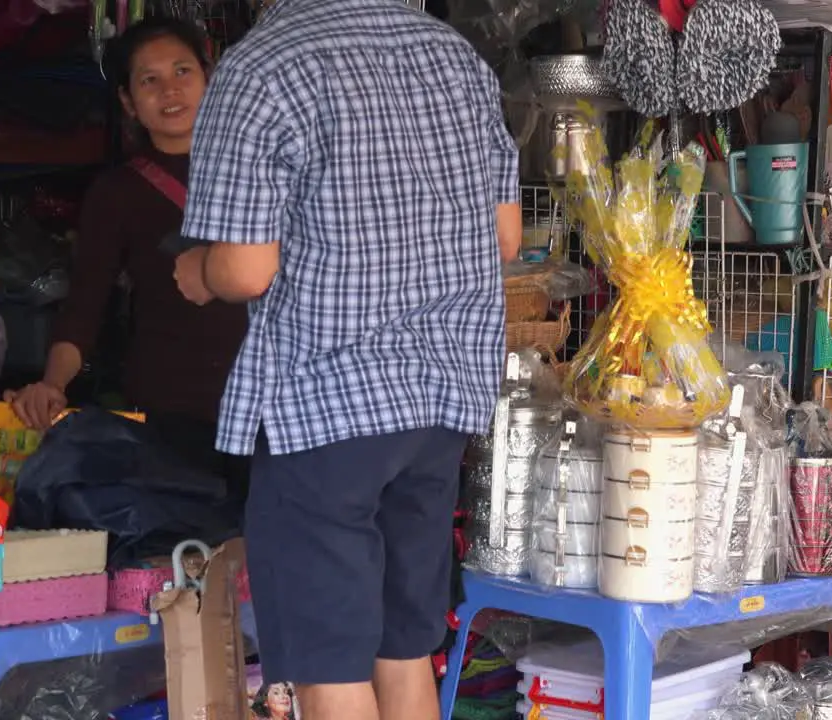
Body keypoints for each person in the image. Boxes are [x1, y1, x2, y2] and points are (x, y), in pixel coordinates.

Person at [173, 1, 520, 719]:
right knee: (401, 648)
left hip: (325, 407)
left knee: (330, 659)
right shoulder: (456, 60)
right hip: (438, 401)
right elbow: (506, 238)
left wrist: (197, 273)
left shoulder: (262, 66)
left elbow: (245, 271)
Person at [5, 17, 249, 502]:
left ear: (210, 75)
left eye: (183, 71)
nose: (170, 90)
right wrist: (51, 385)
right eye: (148, 79)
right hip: (172, 412)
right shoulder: (117, 193)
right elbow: (85, 306)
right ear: (127, 101)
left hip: (269, 407)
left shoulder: (256, 167)